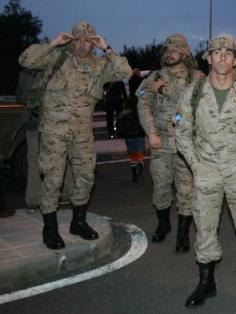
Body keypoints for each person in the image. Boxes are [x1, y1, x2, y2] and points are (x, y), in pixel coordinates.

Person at [175, 35, 236, 312]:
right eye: (216, 52)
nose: (222, 57)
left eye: (228, 53)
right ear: (208, 58)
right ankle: (206, 283)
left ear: (235, 60)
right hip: (206, 169)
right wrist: (195, 164)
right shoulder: (193, 92)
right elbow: (181, 130)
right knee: (204, 227)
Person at [18, 21, 132, 250]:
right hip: (54, 131)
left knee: (85, 176)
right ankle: (50, 228)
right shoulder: (56, 57)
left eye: (88, 40)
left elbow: (125, 72)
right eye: (78, 39)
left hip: (82, 132)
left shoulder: (100, 65)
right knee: (53, 179)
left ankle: (78, 222)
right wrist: (53, 44)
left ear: (93, 42)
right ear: (71, 40)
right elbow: (26, 60)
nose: (82, 44)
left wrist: (107, 48)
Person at [137, 34, 203, 252]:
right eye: (167, 49)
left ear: (185, 52)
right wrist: (151, 132)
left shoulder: (196, 77)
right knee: (160, 186)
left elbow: (193, 102)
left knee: (186, 189)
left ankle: (183, 234)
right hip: (161, 142)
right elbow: (143, 104)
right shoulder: (155, 76)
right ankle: (163, 224)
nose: (170, 53)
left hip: (187, 144)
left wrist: (163, 90)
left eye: (175, 49)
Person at [15, 69, 75, 210]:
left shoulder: (25, 73)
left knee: (33, 159)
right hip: (53, 121)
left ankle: (33, 199)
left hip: (32, 121)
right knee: (61, 155)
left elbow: (19, 97)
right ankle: (68, 192)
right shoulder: (55, 69)